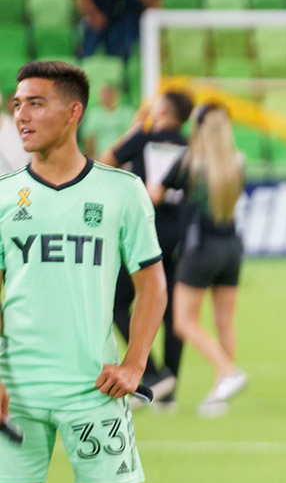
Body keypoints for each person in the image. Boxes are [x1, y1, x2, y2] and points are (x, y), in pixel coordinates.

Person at [0, 61, 172, 483]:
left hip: (91, 390)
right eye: (18, 103)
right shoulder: (4, 196)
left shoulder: (121, 193)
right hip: (16, 391)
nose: (21, 115)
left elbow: (152, 284)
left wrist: (135, 363)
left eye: (36, 103)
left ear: (73, 112)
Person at [103, 90, 195, 409]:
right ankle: (169, 390)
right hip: (179, 236)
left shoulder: (142, 139)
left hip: (143, 235)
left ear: (164, 109)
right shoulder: (190, 147)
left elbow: (106, 162)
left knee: (117, 303)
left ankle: (154, 376)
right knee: (172, 313)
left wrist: (134, 128)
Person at [164, 104, 248, 417]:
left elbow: (156, 191)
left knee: (184, 321)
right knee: (225, 321)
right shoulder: (237, 162)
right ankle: (218, 395)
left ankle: (228, 371)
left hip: (200, 247)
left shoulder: (190, 162)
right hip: (232, 245)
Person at [79, 81, 133, 160]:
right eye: (103, 93)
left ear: (115, 94)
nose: (106, 96)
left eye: (108, 93)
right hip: (100, 158)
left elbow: (130, 135)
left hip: (123, 157)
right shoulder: (94, 114)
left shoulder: (126, 113)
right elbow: (89, 138)